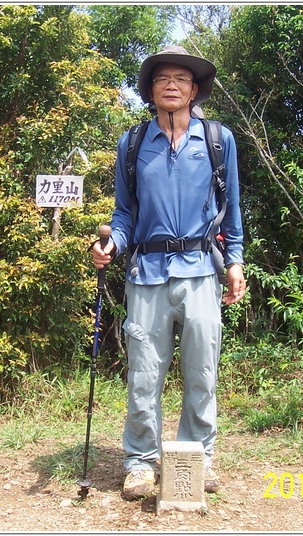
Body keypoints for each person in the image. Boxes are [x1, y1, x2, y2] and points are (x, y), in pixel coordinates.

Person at [92, 46, 246, 500]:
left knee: (202, 371)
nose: (173, 85)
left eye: (182, 79)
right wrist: (111, 245)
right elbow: (123, 214)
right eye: (163, 79)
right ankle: (140, 462)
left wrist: (234, 261)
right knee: (144, 373)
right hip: (146, 273)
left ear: (195, 90)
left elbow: (231, 208)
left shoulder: (218, 139)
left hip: (201, 270)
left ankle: (198, 457)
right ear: (151, 90)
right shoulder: (133, 143)